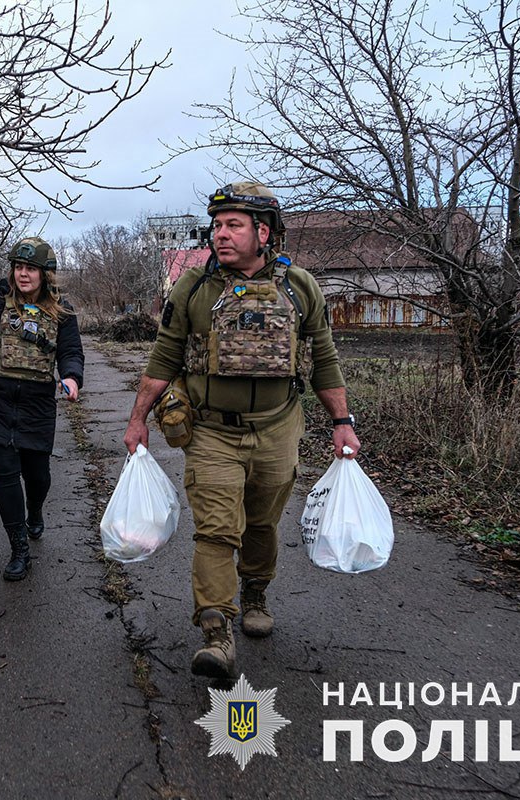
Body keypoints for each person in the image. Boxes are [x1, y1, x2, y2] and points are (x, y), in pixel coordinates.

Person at [123, 181, 361, 679]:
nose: (220, 234)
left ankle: (255, 592)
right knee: (215, 530)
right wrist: (137, 418)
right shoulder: (192, 288)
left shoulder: (300, 287)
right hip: (211, 432)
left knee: (261, 524)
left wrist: (342, 422)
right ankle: (216, 632)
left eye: (233, 225)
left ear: (264, 232)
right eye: (216, 225)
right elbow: (164, 357)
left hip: (277, 429)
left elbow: (324, 360)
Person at [0, 236, 84, 581]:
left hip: (36, 403)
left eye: (31, 268)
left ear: (46, 274)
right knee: (5, 472)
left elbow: (72, 351)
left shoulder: (62, 310)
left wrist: (72, 378)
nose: (23, 274)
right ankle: (19, 548)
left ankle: (36, 510)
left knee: (37, 474)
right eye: (18, 267)